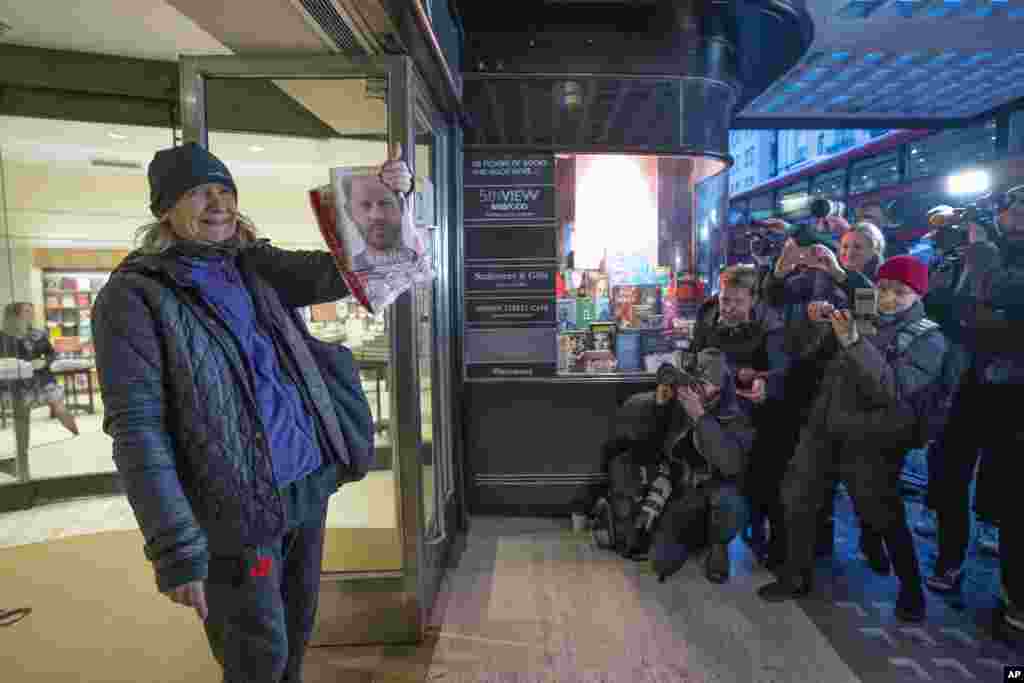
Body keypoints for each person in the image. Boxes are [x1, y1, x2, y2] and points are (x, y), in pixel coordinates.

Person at [92, 141, 412, 683]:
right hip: (234, 509)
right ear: (165, 210)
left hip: (305, 485)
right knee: (257, 653)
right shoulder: (133, 298)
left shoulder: (256, 265)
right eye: (198, 191)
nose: (217, 202)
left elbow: (358, 267)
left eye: (225, 190)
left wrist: (389, 198)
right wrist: (174, 547)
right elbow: (137, 429)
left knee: (297, 630)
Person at [758, 255, 946, 623]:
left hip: (871, 439)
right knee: (798, 498)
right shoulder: (861, 313)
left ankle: (910, 588)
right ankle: (796, 576)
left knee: (882, 514)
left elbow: (891, 389)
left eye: (900, 292)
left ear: (917, 294)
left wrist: (855, 342)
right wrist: (821, 324)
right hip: (822, 427)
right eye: (884, 288)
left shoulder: (928, 337)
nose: (888, 298)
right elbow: (809, 356)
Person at [926, 185, 1024, 636]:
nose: (1018, 216)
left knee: (1012, 497)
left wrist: (982, 262)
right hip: (962, 386)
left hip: (1012, 394)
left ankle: (1014, 591)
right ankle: (949, 560)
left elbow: (1001, 295)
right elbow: (945, 306)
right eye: (1014, 207)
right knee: (948, 479)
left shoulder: (985, 254)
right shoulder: (965, 252)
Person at [689, 265, 790, 568]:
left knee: (759, 476)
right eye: (725, 300)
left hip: (752, 408)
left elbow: (782, 371)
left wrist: (764, 384)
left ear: (752, 299)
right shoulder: (708, 314)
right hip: (711, 400)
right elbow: (697, 353)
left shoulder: (771, 324)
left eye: (736, 301)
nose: (729, 307)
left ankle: (763, 535)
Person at [646, 350, 756, 584]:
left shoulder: (738, 415)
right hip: (687, 488)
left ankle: (719, 545)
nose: (701, 390)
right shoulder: (684, 401)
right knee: (661, 562)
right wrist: (661, 405)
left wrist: (701, 417)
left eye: (709, 384)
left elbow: (729, 465)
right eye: (699, 382)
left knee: (730, 504)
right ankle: (698, 536)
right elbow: (657, 444)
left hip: (721, 488)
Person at [1, 302, 79, 436]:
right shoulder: (4, 336)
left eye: (32, 311)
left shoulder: (38, 334)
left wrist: (44, 362)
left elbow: (51, 353)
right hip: (18, 382)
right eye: (26, 311)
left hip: (43, 378)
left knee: (60, 410)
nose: (31, 314)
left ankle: (77, 435)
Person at [343, 169, 417, 270]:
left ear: (401, 205)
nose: (377, 215)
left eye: (385, 203)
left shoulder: (427, 263)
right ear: (349, 212)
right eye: (365, 205)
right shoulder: (341, 271)